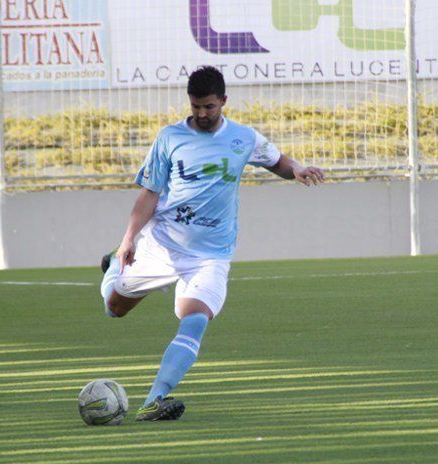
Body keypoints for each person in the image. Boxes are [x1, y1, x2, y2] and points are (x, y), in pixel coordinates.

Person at [100, 66, 325, 421]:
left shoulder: (243, 138)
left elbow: (276, 161)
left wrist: (295, 170)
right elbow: (149, 194)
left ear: (223, 101)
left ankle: (154, 400)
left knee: (195, 318)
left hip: (210, 256)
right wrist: (127, 240)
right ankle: (114, 265)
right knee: (114, 308)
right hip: (161, 245)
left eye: (209, 106)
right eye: (195, 107)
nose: (202, 114)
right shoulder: (170, 138)